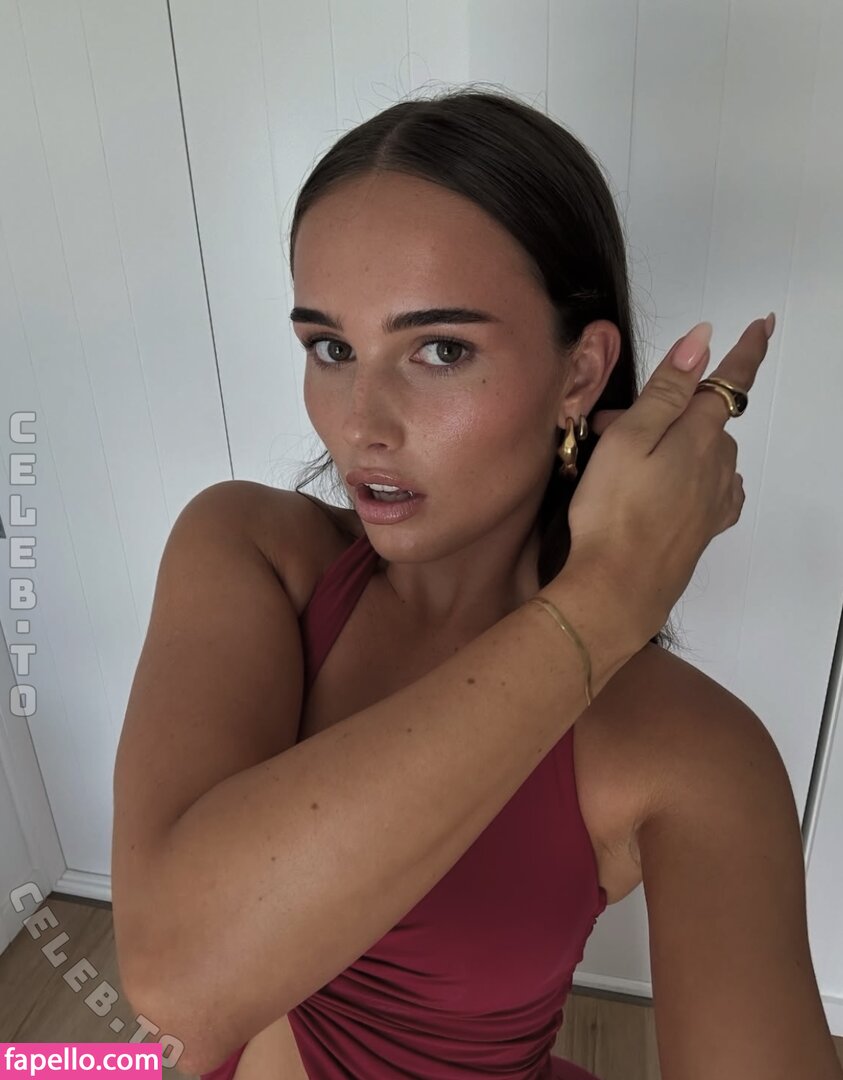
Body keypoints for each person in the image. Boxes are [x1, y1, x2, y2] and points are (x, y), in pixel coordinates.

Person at [112, 88, 837, 1080]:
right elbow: (174, 990)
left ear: (579, 374)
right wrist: (605, 600)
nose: (360, 422)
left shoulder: (685, 747)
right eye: (331, 348)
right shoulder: (250, 551)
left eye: (441, 350)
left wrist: (604, 608)